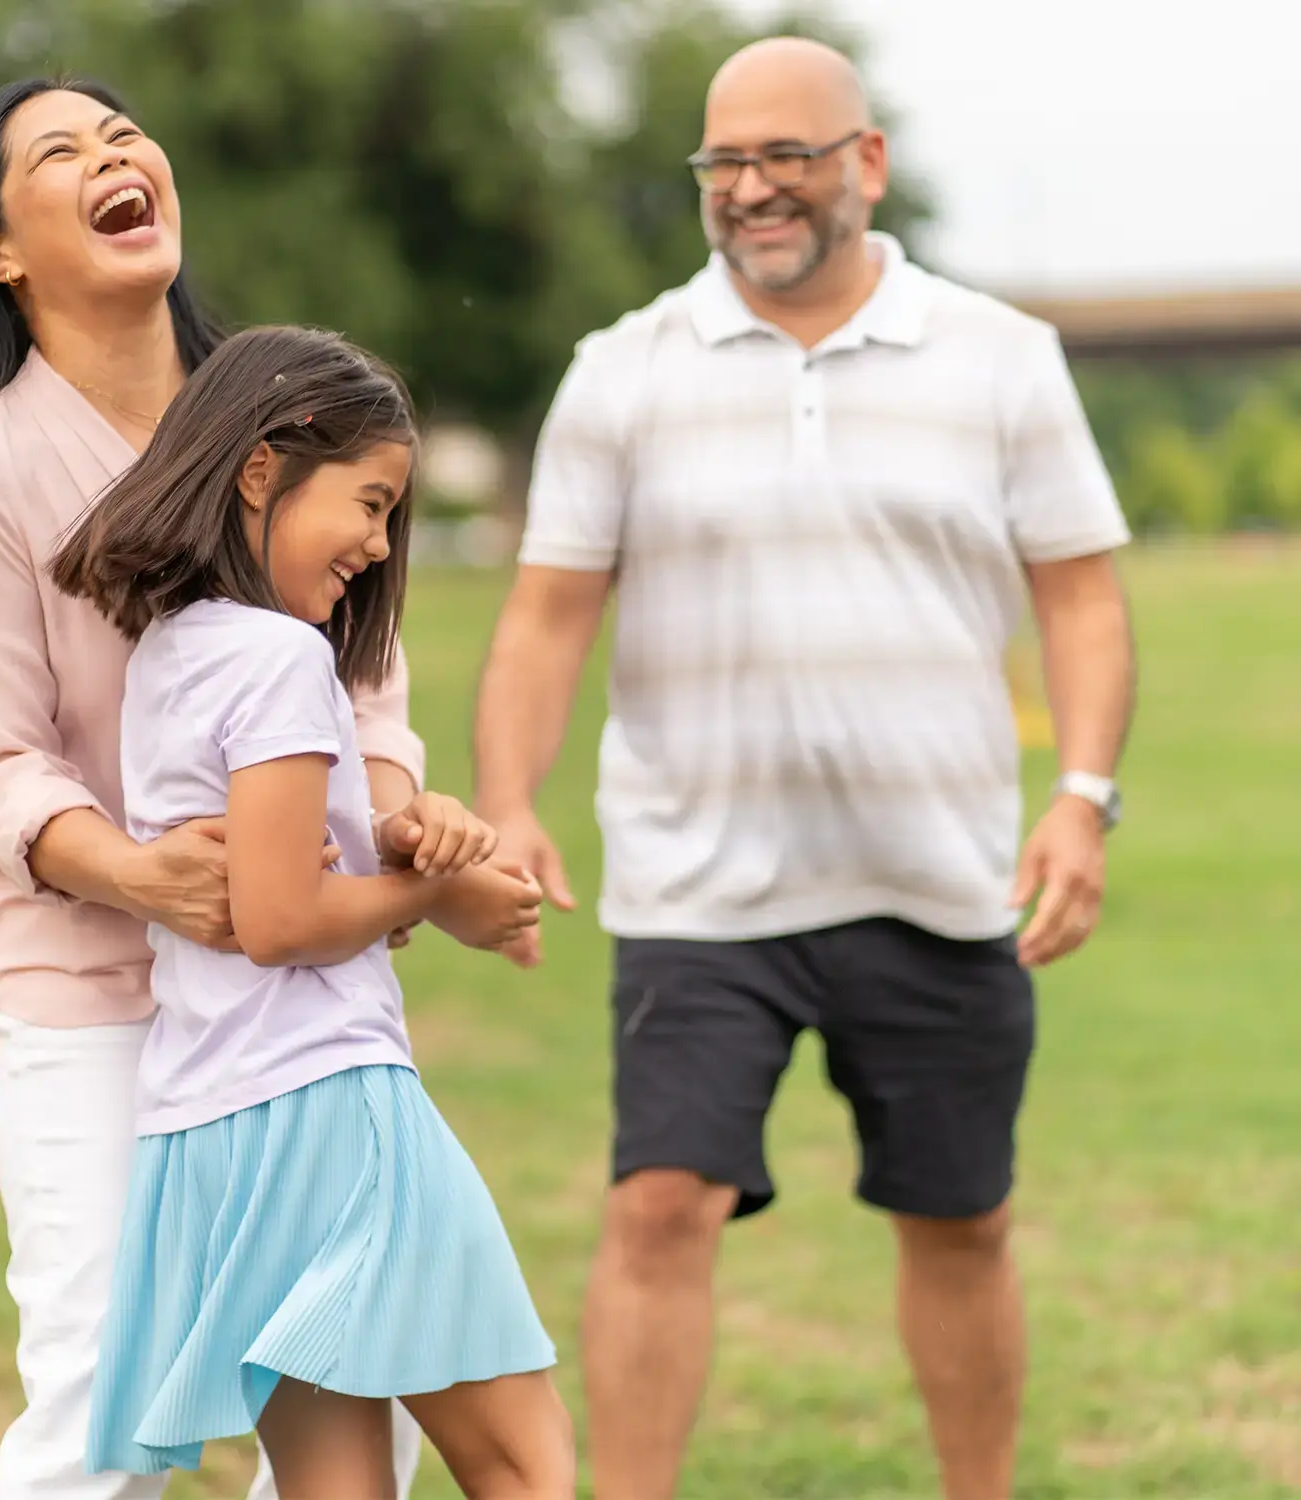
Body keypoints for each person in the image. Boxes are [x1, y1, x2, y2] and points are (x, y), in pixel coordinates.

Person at [472, 36, 1135, 1500]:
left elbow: (1081, 596)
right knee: (659, 1209)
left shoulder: (999, 358)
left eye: (788, 157)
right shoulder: (622, 371)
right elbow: (544, 618)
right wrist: (510, 799)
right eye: (726, 164)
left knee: (962, 1222)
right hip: (698, 886)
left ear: (868, 163)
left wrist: (1081, 799)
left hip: (937, 875)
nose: (755, 189)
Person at [0, 78, 482, 1500]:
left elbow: (365, 672)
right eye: (61, 153)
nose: (113, 154)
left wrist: (390, 810)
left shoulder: (281, 413)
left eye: (124, 134)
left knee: (354, 1390)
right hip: (87, 1008)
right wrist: (144, 875)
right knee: (106, 1401)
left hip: (291, 1002)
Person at [44, 322, 573, 1498]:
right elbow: (279, 918)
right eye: (372, 503)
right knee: (526, 1462)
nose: (381, 546)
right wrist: (437, 893)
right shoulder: (281, 659)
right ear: (261, 469)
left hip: (217, 1120)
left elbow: (274, 877)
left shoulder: (173, 653)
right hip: (326, 1102)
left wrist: (396, 836)